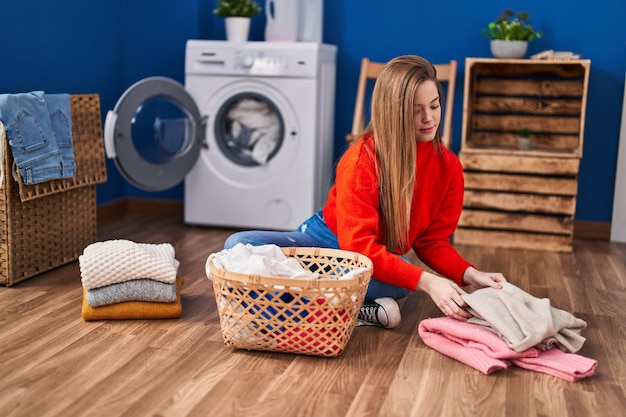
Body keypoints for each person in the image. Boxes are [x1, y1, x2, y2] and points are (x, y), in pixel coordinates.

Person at [223, 55, 507, 328]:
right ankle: (350, 308)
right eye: (415, 110)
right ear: (393, 112)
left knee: (400, 279)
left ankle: (304, 300)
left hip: (370, 260)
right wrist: (428, 282)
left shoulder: (449, 168)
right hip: (323, 240)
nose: (428, 118)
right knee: (238, 245)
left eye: (434, 106)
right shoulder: (361, 160)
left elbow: (432, 241)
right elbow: (356, 244)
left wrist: (471, 274)